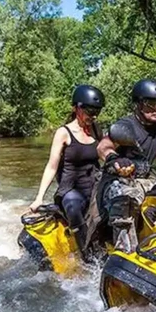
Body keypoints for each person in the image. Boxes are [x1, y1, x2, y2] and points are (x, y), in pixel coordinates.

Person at [96, 79, 156, 252]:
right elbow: (103, 147)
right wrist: (115, 159)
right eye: (151, 104)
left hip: (145, 178)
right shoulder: (126, 125)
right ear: (138, 104)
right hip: (119, 180)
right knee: (124, 198)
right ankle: (124, 252)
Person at [29, 84, 105, 250]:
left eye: (97, 112)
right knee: (73, 205)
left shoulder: (96, 129)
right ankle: (87, 254)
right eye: (90, 111)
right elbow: (51, 166)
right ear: (77, 108)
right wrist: (39, 198)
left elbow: (106, 153)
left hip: (94, 186)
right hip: (71, 190)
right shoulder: (63, 133)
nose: (94, 116)